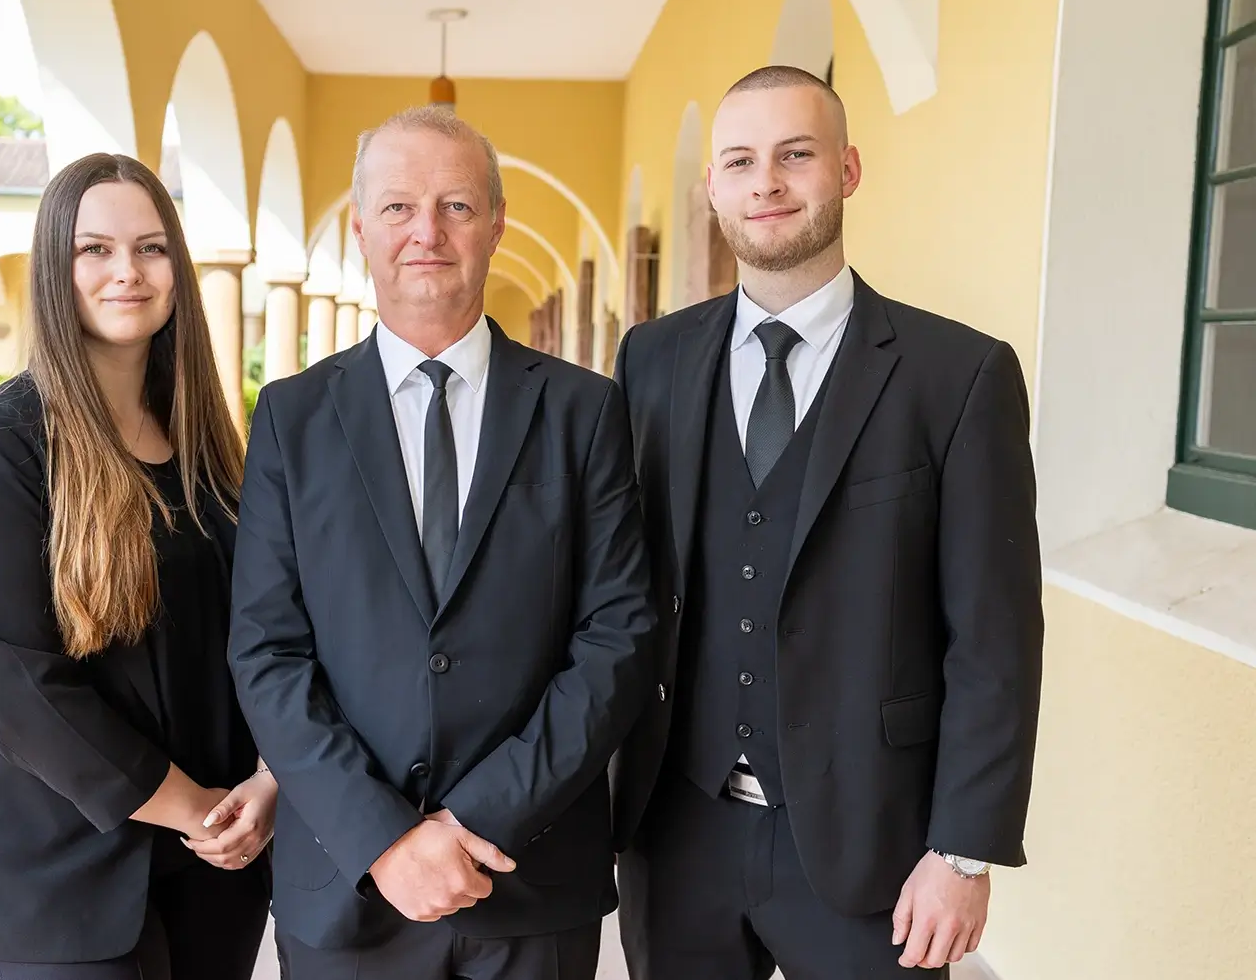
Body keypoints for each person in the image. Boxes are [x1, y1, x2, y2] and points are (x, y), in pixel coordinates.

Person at [611, 66, 1044, 979]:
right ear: (714, 189)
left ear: (846, 170)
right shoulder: (651, 361)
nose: (765, 181)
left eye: (794, 154)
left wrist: (964, 851)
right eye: (740, 160)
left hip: (874, 846)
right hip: (677, 830)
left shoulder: (956, 375)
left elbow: (994, 637)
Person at [227, 106, 656, 980]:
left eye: (457, 206)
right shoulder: (292, 417)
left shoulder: (583, 409)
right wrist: (384, 837)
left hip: (528, 877)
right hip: (348, 883)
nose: (426, 231)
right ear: (360, 228)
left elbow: (618, 636)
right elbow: (267, 649)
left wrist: (478, 820)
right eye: (397, 208)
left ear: (497, 224)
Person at [0, 152, 276, 980]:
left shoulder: (210, 447)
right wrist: (194, 806)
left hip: (212, 860)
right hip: (50, 868)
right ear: (57, 265)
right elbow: (12, 678)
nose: (128, 271)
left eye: (152, 248)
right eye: (95, 249)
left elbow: (268, 628)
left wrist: (270, 780)